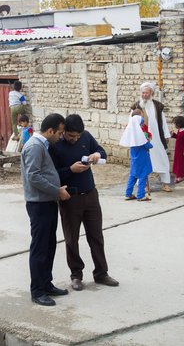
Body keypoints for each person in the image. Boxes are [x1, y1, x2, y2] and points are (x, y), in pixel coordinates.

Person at [49, 114, 119, 291]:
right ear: (63, 131)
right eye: (71, 136)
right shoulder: (55, 145)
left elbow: (101, 152)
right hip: (70, 198)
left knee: (96, 236)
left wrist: (96, 154)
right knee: (72, 238)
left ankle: (101, 273)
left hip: (90, 195)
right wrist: (70, 170)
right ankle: (76, 275)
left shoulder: (86, 137)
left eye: (78, 136)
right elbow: (52, 174)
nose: (75, 139)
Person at [21, 113, 70, 307]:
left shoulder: (43, 145)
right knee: (40, 247)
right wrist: (55, 190)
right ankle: (37, 290)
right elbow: (33, 175)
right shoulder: (34, 146)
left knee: (49, 245)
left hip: (47, 201)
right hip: (39, 203)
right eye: (59, 133)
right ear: (49, 131)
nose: (60, 137)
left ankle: (46, 283)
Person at [131, 82, 172, 192]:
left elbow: (163, 122)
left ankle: (165, 183)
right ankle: (143, 185)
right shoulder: (136, 106)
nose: (144, 95)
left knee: (162, 159)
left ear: (152, 94)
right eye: (143, 93)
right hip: (142, 140)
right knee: (142, 162)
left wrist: (166, 135)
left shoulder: (158, 106)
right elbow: (131, 122)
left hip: (157, 139)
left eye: (146, 93)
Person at [120, 115, 153, 201]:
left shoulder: (131, 135)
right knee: (142, 176)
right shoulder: (140, 136)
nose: (142, 126)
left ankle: (128, 194)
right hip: (142, 160)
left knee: (132, 176)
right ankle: (140, 195)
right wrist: (148, 140)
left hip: (134, 160)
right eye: (141, 124)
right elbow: (149, 146)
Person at [171, 116, 184, 183]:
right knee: (177, 163)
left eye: (175, 124)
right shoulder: (179, 131)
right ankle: (179, 175)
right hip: (177, 151)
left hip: (182, 151)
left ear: (179, 124)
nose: (175, 125)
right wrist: (173, 135)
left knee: (181, 164)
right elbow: (178, 138)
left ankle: (180, 176)